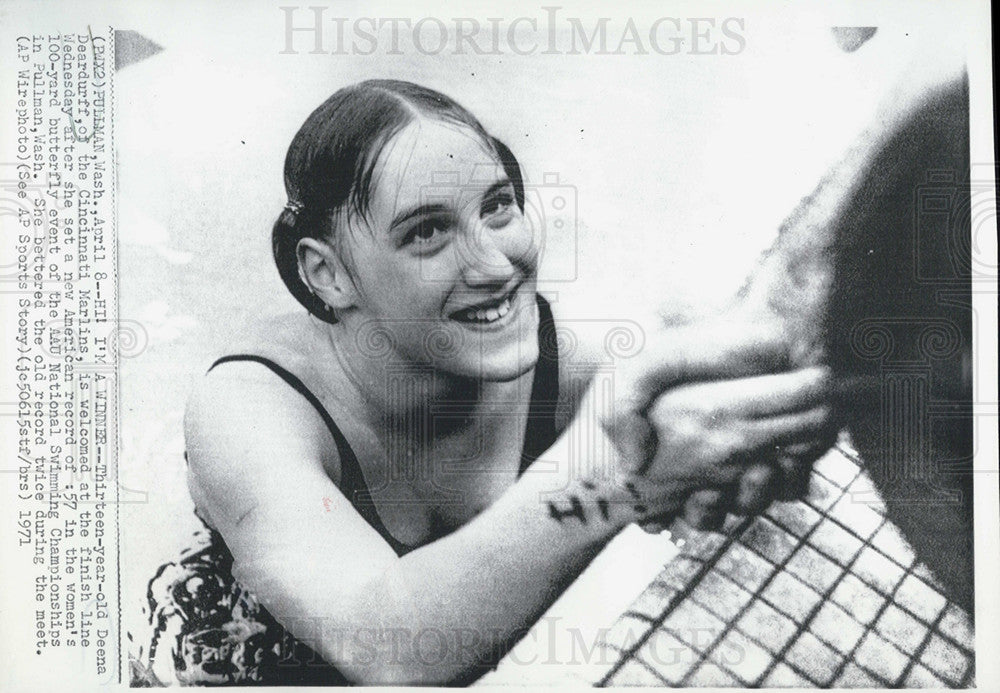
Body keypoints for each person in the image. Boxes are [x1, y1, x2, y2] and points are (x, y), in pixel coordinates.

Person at [140, 79, 837, 686]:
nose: (496, 264)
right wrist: (619, 474)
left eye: (498, 207)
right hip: (243, 650)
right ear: (329, 274)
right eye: (426, 233)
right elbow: (385, 648)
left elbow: (710, 418)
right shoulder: (251, 407)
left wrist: (745, 432)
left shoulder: (568, 367)